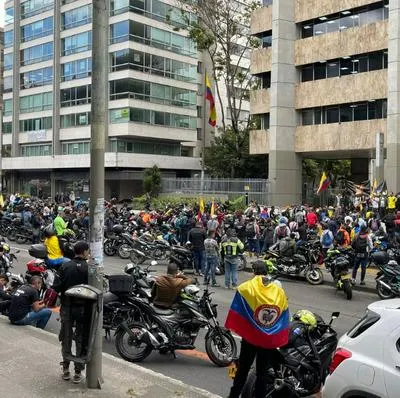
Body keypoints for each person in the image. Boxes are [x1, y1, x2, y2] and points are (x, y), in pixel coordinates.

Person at [225, 260, 289, 398]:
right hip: (268, 340)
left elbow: (239, 309)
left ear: (254, 272)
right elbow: (283, 313)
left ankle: (234, 395)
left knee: (242, 370)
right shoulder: (279, 291)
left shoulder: (247, 288)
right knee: (262, 373)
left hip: (250, 338)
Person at [53, 241, 89, 384]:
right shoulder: (89, 268)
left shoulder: (65, 266)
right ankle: (78, 372)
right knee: (81, 338)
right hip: (84, 309)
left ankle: (66, 369)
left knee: (66, 337)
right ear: (85, 252)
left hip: (67, 307)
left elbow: (56, 287)